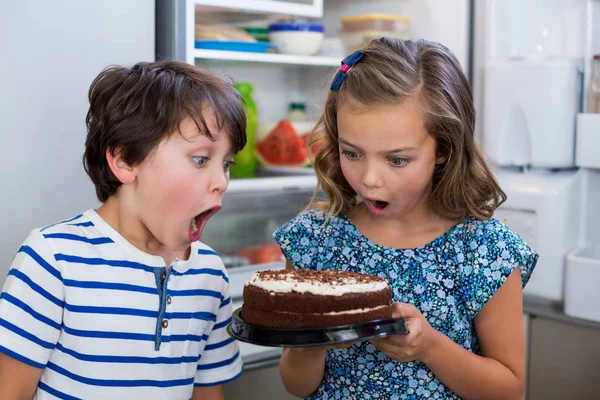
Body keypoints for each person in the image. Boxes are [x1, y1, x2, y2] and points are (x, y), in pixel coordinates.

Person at [274, 38, 538, 400]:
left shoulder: (485, 251)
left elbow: (508, 389)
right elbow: (296, 384)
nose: (369, 179)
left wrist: (430, 347)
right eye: (352, 153)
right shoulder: (314, 241)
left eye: (397, 160)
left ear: (443, 149)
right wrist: (313, 344)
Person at [0, 60, 246, 399]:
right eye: (201, 160)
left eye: (226, 164)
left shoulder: (210, 274)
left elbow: (208, 394)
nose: (221, 182)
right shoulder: (54, 259)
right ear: (125, 160)